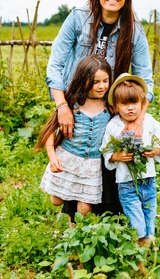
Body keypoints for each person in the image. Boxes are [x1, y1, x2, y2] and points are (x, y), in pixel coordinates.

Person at [45, 0, 155, 218]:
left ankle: (107, 221)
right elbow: (56, 64)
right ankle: (73, 220)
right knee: (75, 154)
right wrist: (62, 107)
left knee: (106, 160)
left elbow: (145, 78)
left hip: (110, 105)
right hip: (75, 102)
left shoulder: (134, 30)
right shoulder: (78, 18)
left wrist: (138, 120)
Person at [36, 55, 112, 216]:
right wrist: (52, 157)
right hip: (68, 159)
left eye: (105, 81)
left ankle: (75, 233)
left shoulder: (110, 104)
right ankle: (67, 204)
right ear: (83, 79)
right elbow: (50, 130)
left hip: (93, 164)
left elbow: (129, 117)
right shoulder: (72, 102)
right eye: (95, 82)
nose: (101, 86)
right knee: (56, 200)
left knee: (84, 208)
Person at [101, 73, 160, 247]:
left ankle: (147, 246)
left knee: (149, 212)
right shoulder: (114, 126)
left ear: (142, 104)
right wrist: (116, 156)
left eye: (134, 103)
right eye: (125, 104)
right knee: (135, 216)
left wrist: (157, 150)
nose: (130, 108)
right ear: (116, 107)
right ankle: (139, 243)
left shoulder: (149, 121)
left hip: (148, 178)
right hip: (127, 182)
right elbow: (105, 149)